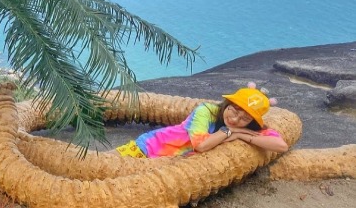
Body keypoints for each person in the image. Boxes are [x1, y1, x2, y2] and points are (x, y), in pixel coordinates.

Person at [116, 83, 290, 158]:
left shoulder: (247, 129)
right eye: (234, 110)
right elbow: (200, 146)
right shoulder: (206, 111)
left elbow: (281, 146)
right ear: (227, 104)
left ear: (251, 122)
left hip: (171, 162)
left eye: (244, 118)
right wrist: (230, 131)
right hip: (149, 147)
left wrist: (243, 135)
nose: (235, 119)